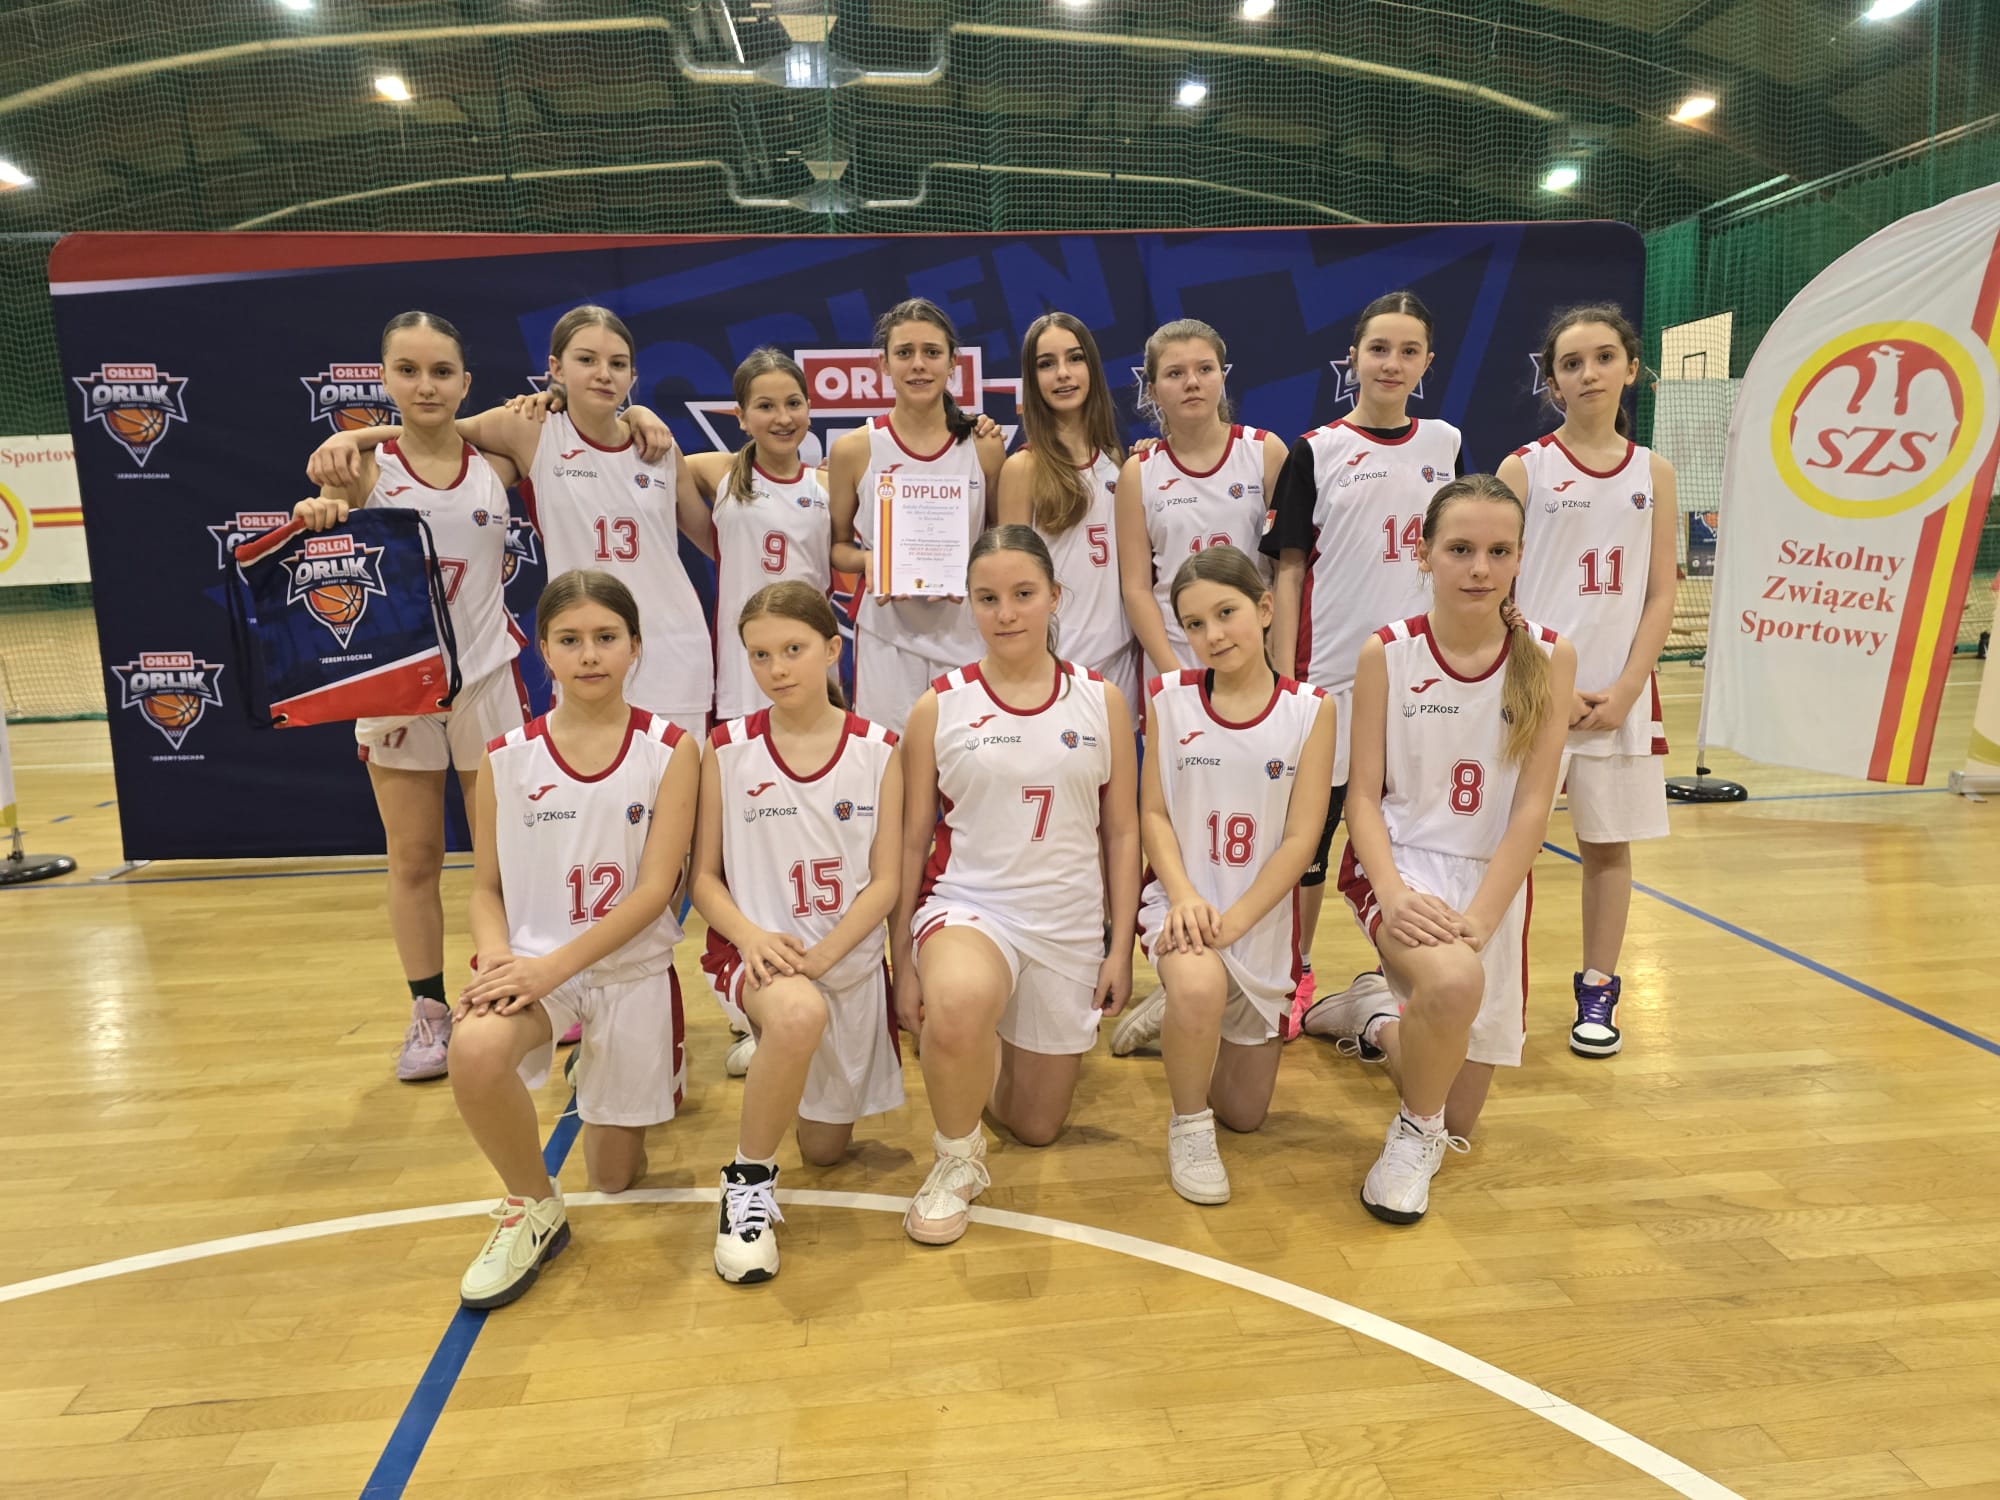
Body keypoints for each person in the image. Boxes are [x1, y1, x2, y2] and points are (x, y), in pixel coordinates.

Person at [447, 569, 699, 1307]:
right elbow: (485, 890)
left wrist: (547, 969)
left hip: (629, 972)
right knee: (474, 1048)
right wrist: (498, 957)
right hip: (539, 969)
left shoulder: (671, 748)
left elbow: (655, 893)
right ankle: (533, 1206)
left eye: (606, 637)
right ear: (545, 652)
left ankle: (620, 1066)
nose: (589, 655)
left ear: (635, 647)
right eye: (570, 640)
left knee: (615, 1177)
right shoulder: (504, 756)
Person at [291, 310, 529, 1083]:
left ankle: (516, 988)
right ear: (385, 378)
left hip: (486, 679)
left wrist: (357, 431)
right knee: (416, 857)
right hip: (397, 687)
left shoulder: (498, 461)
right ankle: (428, 1011)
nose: (426, 385)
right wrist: (318, 511)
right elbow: (319, 541)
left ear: (466, 382)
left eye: (441, 371)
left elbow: (575, 422)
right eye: (409, 370)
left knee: (504, 856)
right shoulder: (360, 471)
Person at [1333, 475, 1574, 1224]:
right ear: (1424, 553)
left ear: (1520, 557)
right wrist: (1395, 895)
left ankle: (1374, 1018)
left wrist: (1483, 917)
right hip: (1400, 861)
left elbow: (1533, 807)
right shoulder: (1387, 653)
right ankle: (1412, 1137)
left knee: (1458, 1107)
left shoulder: (1551, 656)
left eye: (1499, 551)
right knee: (1452, 988)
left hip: (1492, 875)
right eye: (1460, 549)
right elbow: (1362, 797)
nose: (1479, 568)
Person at [892, 526, 1140, 1245]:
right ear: (969, 603)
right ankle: (956, 1157)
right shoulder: (938, 706)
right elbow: (910, 840)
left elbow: (1122, 832)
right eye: (988, 598)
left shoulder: (1101, 700)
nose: (1006, 614)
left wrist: (1119, 948)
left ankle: (974, 1043)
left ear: (1055, 597)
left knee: (1036, 1127)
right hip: (971, 907)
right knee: (959, 1002)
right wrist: (901, 960)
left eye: (1023, 594)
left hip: (1066, 922)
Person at [308, 303, 716, 737]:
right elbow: (436, 429)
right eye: (586, 360)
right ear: (555, 368)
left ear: (633, 376)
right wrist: (349, 436)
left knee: (677, 779)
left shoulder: (658, 447)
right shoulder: (531, 428)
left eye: (617, 364)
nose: (603, 374)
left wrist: (639, 413)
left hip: (674, 647)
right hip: (584, 649)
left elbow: (712, 540)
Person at [1262, 292, 1464, 1039]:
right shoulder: (1316, 451)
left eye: (1408, 351)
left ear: (1427, 362)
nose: (1392, 363)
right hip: (1331, 681)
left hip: (1420, 681)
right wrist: (1285, 681)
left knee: (1407, 839)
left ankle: (1407, 979)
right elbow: (1288, 571)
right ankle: (1295, 973)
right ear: (1353, 357)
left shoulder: (1446, 443)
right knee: (1310, 845)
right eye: (1379, 348)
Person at [692, 582, 904, 1284]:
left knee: (825, 1151)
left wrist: (826, 954)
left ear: (832, 649)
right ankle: (746, 1186)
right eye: (760, 655)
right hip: (756, 958)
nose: (777, 668)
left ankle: (776, 1048)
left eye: (793, 649)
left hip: (843, 961)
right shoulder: (727, 748)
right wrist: (752, 936)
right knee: (796, 1012)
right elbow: (703, 880)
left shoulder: (879, 748)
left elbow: (886, 882)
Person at [1498, 304, 1677, 1059]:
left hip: (1618, 695)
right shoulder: (1523, 468)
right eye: (1571, 363)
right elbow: (1495, 588)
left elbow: (1661, 592)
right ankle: (1490, 985)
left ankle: (1599, 989)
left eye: (1604, 357)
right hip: (1532, 691)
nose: (1589, 373)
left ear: (1631, 368)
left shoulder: (1653, 472)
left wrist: (1630, 686)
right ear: (1553, 381)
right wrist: (1547, 679)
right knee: (1503, 846)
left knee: (1607, 846)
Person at [1132, 547, 1334, 1204]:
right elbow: (1153, 813)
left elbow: (1302, 840)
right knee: (1198, 982)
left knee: (1246, 1115)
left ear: (1265, 608)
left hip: (1259, 920)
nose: (1213, 635)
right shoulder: (1169, 699)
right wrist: (1185, 896)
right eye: (1194, 624)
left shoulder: (1311, 709)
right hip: (1182, 902)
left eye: (1226, 613)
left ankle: (1183, 1011)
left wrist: (1237, 921)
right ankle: (1188, 1126)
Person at [828, 298, 1007, 733]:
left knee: (966, 762)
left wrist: (973, 573)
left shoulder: (984, 445)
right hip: (886, 637)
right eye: (904, 352)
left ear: (953, 363)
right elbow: (837, 548)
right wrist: (870, 560)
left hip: (966, 633)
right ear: (884, 364)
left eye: (932, 352)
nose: (919, 365)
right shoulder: (855, 449)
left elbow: (1001, 544)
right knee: (890, 762)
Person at [1115, 318, 1285, 678]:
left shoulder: (1264, 452)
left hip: (1256, 659)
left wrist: (1275, 653)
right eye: (1175, 373)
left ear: (1222, 377)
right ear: (1153, 391)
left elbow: (1286, 569)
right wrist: (1174, 675)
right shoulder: (1138, 473)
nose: (1191, 382)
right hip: (1178, 658)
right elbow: (1137, 589)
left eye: (1205, 369)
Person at [994, 312, 1137, 727]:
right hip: (1055, 666)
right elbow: (1009, 580)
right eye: (1046, 364)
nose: (1063, 374)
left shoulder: (1116, 459)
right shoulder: (1022, 468)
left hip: (1120, 664)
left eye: (1075, 358)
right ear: (1032, 380)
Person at [680, 350, 835, 724]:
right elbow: (642, 469)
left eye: (793, 403)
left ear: (809, 408)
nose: (783, 418)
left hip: (809, 656)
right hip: (741, 665)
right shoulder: (718, 471)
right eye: (766, 406)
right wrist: (637, 414)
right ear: (742, 417)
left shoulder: (829, 485)